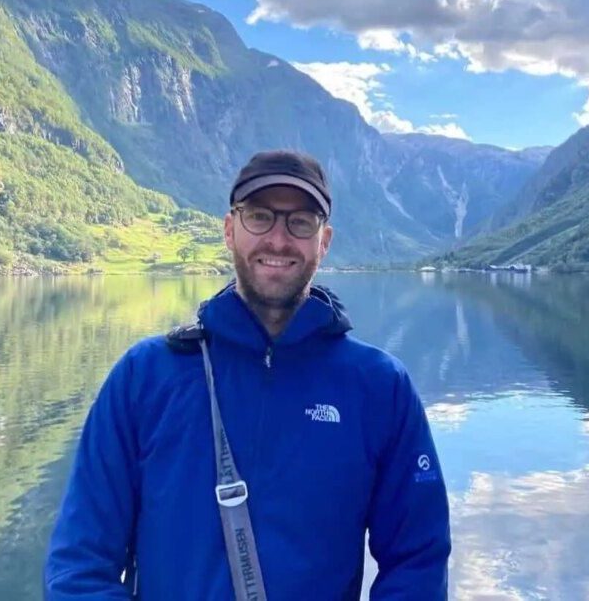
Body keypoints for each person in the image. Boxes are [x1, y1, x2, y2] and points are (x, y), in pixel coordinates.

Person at [44, 150, 451, 599]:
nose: (278, 240)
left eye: (300, 221)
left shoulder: (378, 387)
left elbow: (417, 560)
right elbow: (80, 564)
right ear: (229, 230)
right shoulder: (145, 377)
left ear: (325, 240)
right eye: (259, 217)